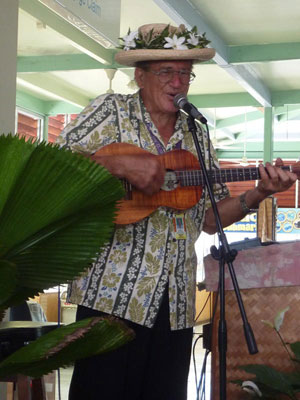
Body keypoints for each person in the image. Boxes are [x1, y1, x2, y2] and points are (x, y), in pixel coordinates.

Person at [57, 23, 297, 400]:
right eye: (166, 71)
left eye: (185, 73)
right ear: (140, 75)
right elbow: (56, 163)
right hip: (113, 298)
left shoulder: (197, 134)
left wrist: (260, 192)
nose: (177, 82)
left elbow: (209, 217)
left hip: (176, 303)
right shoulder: (111, 111)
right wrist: (121, 166)